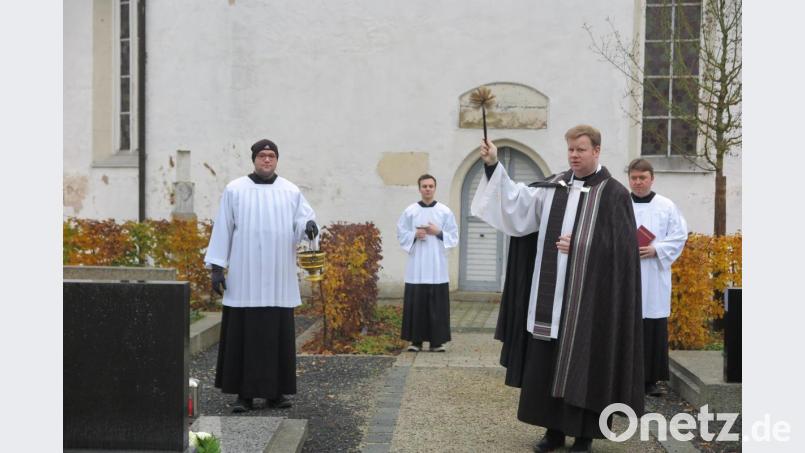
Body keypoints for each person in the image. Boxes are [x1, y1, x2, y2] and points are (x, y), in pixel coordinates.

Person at [471, 125, 644, 452]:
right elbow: (517, 207)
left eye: (581, 149)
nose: (574, 156)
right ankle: (553, 431)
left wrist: (582, 245)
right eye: (570, 150)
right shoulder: (554, 187)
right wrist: (493, 164)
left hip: (591, 303)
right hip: (550, 301)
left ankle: (583, 436)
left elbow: (624, 253)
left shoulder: (614, 194)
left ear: (596, 151)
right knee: (548, 363)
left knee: (586, 364)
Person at [204, 138, 318, 413]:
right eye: (262, 156)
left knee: (275, 338)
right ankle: (244, 395)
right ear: (254, 159)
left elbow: (303, 220)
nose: (267, 160)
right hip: (245, 279)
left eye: (271, 156)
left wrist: (309, 226)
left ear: (277, 160)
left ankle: (275, 393)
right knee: (244, 338)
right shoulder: (235, 190)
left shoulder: (290, 191)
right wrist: (217, 268)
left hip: (278, 278)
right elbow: (223, 227)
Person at [628, 158, 688, 397]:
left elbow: (679, 235)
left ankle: (650, 381)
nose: (638, 182)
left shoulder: (666, 206)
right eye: (634, 177)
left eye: (643, 177)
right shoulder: (620, 203)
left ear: (652, 178)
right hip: (627, 275)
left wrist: (656, 250)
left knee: (652, 325)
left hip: (654, 275)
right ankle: (626, 379)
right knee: (628, 324)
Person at [396, 174, 459, 352]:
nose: (428, 189)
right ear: (419, 188)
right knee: (417, 303)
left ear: (435, 188)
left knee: (436, 305)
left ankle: (436, 342)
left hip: (437, 264)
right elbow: (401, 234)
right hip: (417, 265)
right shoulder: (410, 211)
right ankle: (415, 342)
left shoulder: (444, 211)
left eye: (431, 186)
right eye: (424, 186)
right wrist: (414, 235)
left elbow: (454, 237)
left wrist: (437, 232)